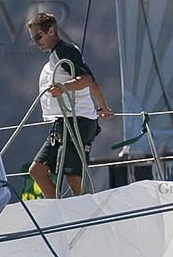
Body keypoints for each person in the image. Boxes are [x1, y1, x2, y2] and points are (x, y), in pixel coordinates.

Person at [26, 11, 114, 198]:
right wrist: (103, 107)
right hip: (65, 123)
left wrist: (63, 87)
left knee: (73, 178)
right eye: (33, 39)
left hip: (77, 121)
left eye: (38, 37)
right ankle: (60, 213)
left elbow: (86, 79)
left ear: (51, 31)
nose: (36, 42)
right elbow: (94, 84)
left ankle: (83, 216)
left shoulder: (64, 51)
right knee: (37, 170)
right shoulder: (59, 54)